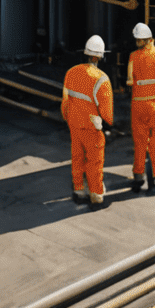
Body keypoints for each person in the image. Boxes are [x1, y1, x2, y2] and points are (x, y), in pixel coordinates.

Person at [62, 36, 113, 208]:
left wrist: (68, 118)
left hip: (74, 123)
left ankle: (79, 191)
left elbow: (65, 101)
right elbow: (106, 111)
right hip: (92, 126)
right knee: (94, 161)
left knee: (77, 157)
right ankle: (96, 194)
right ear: (98, 57)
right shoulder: (102, 78)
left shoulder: (71, 72)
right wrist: (108, 124)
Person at [127, 23, 155, 193]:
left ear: (139, 41)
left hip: (139, 104)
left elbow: (130, 81)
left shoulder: (133, 57)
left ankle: (138, 176)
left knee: (139, 142)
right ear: (151, 39)